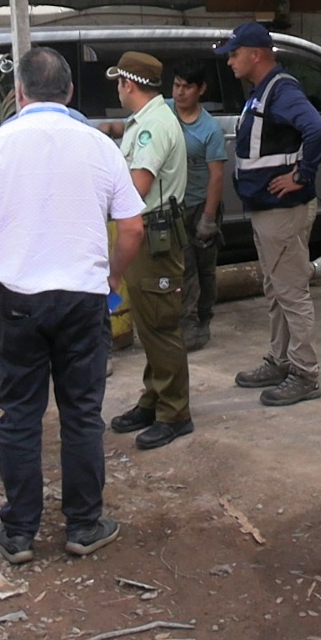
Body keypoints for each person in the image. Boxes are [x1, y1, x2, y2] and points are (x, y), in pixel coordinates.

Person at [0, 46, 145, 564]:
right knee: (81, 414)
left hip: (18, 302)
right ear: (70, 92)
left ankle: (18, 533)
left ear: (20, 93)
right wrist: (112, 276)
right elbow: (132, 227)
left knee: (19, 416)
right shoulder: (100, 146)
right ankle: (84, 525)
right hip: (83, 299)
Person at [217, 22, 321, 406]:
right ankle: (281, 360)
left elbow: (317, 131)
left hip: (282, 211)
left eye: (234, 54)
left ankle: (304, 373)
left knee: (291, 292)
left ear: (256, 54)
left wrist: (301, 175)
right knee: (276, 289)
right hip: (268, 210)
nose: (230, 61)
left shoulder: (281, 91)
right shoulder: (263, 92)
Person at [104, 51, 195, 450]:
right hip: (146, 234)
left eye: (118, 83)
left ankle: (175, 413)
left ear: (129, 84)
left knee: (161, 325)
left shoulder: (153, 128)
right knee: (148, 323)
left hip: (153, 237)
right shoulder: (146, 121)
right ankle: (154, 399)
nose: (118, 90)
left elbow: (136, 187)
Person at [167, 59, 228, 351]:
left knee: (205, 269)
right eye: (176, 85)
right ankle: (188, 324)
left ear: (201, 89)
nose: (180, 92)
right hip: (175, 206)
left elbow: (216, 176)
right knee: (185, 267)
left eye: (187, 87)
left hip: (202, 205)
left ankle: (204, 319)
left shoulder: (209, 129)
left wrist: (209, 218)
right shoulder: (164, 111)